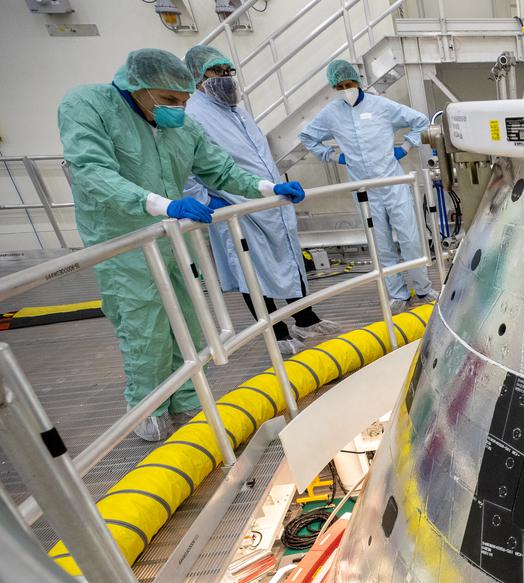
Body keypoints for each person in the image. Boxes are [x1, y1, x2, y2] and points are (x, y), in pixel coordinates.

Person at [58, 48, 308, 442]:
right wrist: (162, 204)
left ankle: (191, 397)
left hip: (174, 238)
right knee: (145, 326)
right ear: (139, 87)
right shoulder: (89, 105)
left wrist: (268, 187)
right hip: (123, 241)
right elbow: (91, 172)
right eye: (171, 100)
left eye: (185, 99)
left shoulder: (182, 127)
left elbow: (220, 169)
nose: (181, 107)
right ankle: (148, 406)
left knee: (191, 320)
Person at [182, 46, 341, 356]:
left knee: (287, 261)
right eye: (217, 73)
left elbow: (257, 154)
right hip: (235, 207)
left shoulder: (237, 111)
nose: (226, 78)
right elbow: (186, 167)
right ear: (198, 78)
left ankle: (305, 318)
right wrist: (204, 199)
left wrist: (275, 186)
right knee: (251, 271)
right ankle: (276, 333)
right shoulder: (192, 115)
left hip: (268, 199)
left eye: (229, 72)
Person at [298, 59, 433, 312]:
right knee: (381, 244)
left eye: (349, 84)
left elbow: (420, 121)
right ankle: (398, 294)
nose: (345, 90)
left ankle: (423, 288)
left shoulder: (381, 105)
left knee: (410, 238)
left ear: (358, 82)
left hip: (392, 182)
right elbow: (307, 137)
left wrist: (405, 147)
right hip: (363, 190)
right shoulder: (331, 114)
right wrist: (333, 156)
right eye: (340, 86)